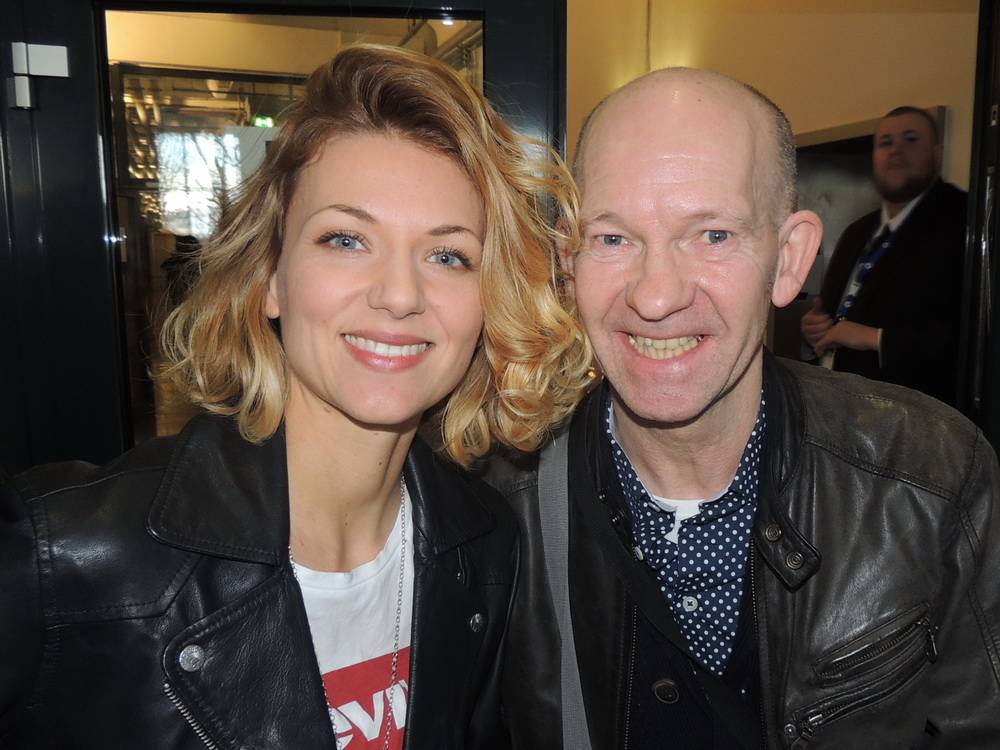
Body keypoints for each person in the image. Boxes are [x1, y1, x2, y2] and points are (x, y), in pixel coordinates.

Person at [0, 45, 589, 749]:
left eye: (447, 255)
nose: (399, 295)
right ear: (271, 278)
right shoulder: (64, 557)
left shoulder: (484, 546)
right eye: (345, 239)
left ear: (488, 302)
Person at [490, 69, 1000, 749]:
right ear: (567, 263)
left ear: (789, 260)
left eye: (713, 235)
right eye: (613, 239)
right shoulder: (495, 499)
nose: (657, 295)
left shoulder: (932, 477)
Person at [800, 106, 968, 406]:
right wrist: (815, 328)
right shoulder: (857, 232)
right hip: (834, 401)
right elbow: (827, 314)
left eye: (911, 139)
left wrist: (875, 338)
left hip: (911, 416)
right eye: (886, 143)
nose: (896, 151)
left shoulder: (964, 222)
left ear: (937, 154)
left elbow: (969, 341)